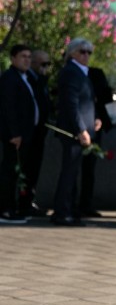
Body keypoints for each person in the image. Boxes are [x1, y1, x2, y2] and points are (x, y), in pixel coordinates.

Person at [51, 38, 100, 227]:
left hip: (82, 130)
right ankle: (62, 212)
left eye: (89, 52)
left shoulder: (81, 72)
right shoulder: (71, 72)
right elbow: (70, 104)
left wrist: (94, 120)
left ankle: (69, 210)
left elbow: (85, 101)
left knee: (73, 173)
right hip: (73, 133)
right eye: (82, 51)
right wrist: (81, 129)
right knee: (69, 173)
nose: (86, 55)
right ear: (72, 53)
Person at [0, 45, 38, 223]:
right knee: (10, 171)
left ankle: (13, 206)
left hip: (26, 134)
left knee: (17, 172)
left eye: (29, 56)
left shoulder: (26, 78)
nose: (27, 60)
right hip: (14, 136)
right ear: (13, 58)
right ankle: (5, 209)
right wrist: (15, 133)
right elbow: (9, 108)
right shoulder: (9, 78)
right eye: (23, 56)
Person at [79, 64, 113, 217]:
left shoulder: (96, 74)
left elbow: (105, 97)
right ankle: (72, 204)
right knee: (74, 169)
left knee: (89, 169)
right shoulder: (71, 74)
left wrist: (98, 118)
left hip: (94, 128)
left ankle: (85, 204)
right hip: (77, 130)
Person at [24, 49, 51, 217]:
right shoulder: (27, 79)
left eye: (48, 64)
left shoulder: (40, 80)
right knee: (26, 169)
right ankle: (23, 202)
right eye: (43, 64)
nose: (45, 68)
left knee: (34, 168)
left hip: (40, 131)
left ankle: (29, 200)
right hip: (28, 133)